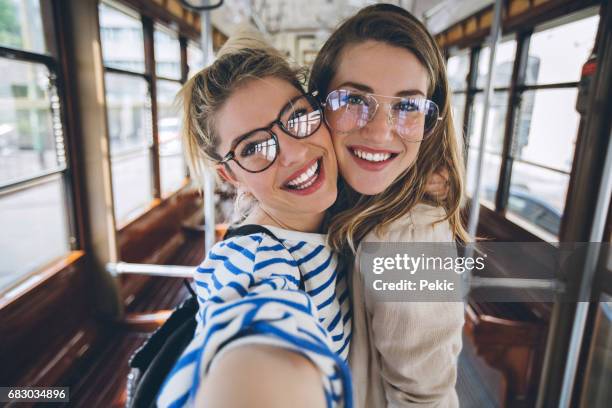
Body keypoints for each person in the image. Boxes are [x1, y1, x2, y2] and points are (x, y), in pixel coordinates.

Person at [156, 30, 352, 408]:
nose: (294, 153)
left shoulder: (341, 213)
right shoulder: (254, 262)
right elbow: (252, 326)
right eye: (253, 147)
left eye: (296, 117)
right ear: (231, 175)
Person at [309, 4, 468, 407]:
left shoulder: (410, 242)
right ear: (318, 103)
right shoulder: (332, 203)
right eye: (353, 99)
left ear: (431, 121)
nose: (379, 131)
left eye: (406, 106)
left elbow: (426, 399)